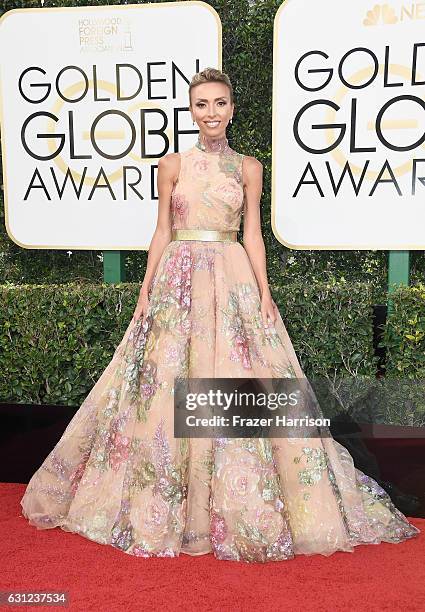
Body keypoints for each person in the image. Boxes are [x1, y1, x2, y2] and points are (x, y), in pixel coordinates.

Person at [20, 68, 420, 563]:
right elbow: (162, 231)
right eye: (201, 104)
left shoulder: (248, 168)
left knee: (235, 375)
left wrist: (264, 293)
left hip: (230, 277)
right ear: (192, 111)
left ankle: (235, 501)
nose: (211, 112)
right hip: (177, 280)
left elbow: (253, 233)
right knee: (164, 385)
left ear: (232, 109)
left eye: (219, 103)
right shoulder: (171, 165)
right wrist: (145, 290)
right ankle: (169, 503)